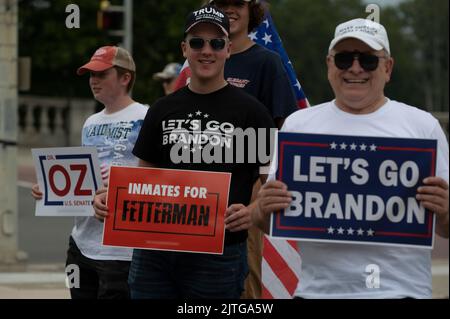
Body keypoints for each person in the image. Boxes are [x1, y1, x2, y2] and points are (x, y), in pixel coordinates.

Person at [252, 18, 449, 299]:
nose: (355, 69)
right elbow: (269, 219)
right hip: (317, 293)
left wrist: (444, 210)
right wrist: (263, 209)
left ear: (387, 67)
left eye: (368, 60)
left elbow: (446, 226)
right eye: (344, 59)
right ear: (330, 65)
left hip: (401, 292)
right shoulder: (299, 126)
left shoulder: (423, 126)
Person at [94, 5, 275, 299]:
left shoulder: (252, 113)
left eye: (216, 43)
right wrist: (111, 198)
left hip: (220, 253)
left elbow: (267, 179)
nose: (207, 51)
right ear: (184, 49)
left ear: (228, 49)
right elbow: (146, 175)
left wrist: (253, 211)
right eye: (197, 43)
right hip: (154, 251)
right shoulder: (162, 109)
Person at [31, 46, 148, 299]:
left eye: (101, 74)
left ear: (125, 78)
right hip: (81, 243)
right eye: (91, 75)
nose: (93, 81)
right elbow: (84, 177)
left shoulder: (146, 116)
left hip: (122, 251)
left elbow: (154, 178)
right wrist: (50, 189)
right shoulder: (90, 122)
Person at [209, 0, 299, 299]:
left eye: (238, 4)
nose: (230, 10)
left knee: (245, 278)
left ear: (253, 11)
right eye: (221, 4)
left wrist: (259, 196)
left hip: (247, 185)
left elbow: (281, 131)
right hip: (199, 183)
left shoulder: (266, 62)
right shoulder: (202, 57)